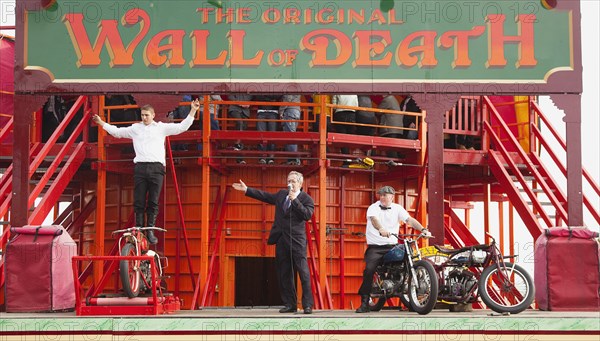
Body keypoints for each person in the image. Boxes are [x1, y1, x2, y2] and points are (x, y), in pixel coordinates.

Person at [92, 99, 200, 244]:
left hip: (156, 168)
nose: (144, 117)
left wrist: (193, 110)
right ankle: (138, 228)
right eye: (142, 115)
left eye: (147, 115)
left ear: (153, 115)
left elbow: (182, 127)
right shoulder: (135, 128)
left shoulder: (161, 128)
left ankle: (150, 229)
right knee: (139, 200)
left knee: (153, 201)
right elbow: (117, 132)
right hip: (141, 167)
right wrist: (101, 123)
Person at [232, 171, 315, 314]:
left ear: (301, 183)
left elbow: (307, 215)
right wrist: (247, 190)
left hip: (297, 241)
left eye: (294, 181)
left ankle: (307, 305)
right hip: (281, 239)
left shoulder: (306, 199)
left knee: (303, 272)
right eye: (289, 180)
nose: (290, 183)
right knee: (284, 273)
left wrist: (295, 200)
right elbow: (266, 196)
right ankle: (290, 304)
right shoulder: (282, 194)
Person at [355, 185, 431, 313]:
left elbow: (409, 220)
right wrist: (381, 229)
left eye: (385, 195)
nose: (383, 197)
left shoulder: (397, 208)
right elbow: (374, 220)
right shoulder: (373, 207)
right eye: (381, 195)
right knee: (369, 270)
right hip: (376, 247)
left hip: (392, 245)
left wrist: (423, 229)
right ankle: (365, 302)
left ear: (392, 196)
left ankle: (409, 297)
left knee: (407, 259)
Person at [227, 94, 253, 164]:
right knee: (239, 122)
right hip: (235, 109)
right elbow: (230, 96)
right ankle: (237, 144)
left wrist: (248, 104)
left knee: (243, 131)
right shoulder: (234, 86)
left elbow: (251, 97)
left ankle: (239, 156)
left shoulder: (249, 89)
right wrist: (240, 103)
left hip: (245, 111)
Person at [279, 94, 302, 165]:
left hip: (290, 111)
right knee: (291, 135)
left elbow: (287, 98)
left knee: (290, 136)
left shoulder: (289, 87)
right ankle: (292, 159)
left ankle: (294, 159)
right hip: (296, 111)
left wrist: (281, 111)